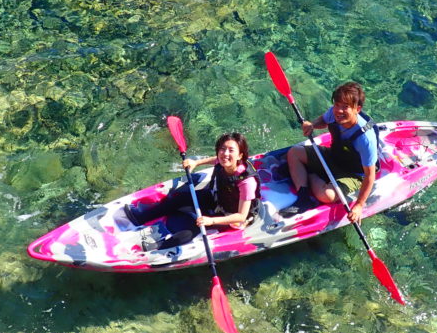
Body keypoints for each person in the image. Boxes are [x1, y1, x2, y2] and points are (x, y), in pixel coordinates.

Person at [123, 132, 260, 251]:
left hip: (232, 217)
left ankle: (162, 247)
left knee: (193, 224)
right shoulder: (224, 160)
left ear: (240, 155)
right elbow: (217, 160)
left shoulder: (246, 182)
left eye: (231, 150)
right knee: (180, 198)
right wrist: (196, 163)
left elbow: (241, 216)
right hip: (217, 199)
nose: (225, 154)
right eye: (222, 149)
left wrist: (210, 221)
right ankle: (141, 217)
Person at [278, 81, 383, 222]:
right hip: (333, 157)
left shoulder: (365, 138)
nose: (339, 110)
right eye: (337, 105)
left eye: (345, 107)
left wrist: (358, 205)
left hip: (352, 173)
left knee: (326, 195)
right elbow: (324, 119)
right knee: (294, 152)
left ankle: (307, 173)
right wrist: (312, 125)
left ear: (357, 109)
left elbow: (370, 176)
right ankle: (303, 198)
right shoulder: (335, 114)